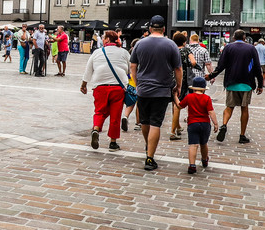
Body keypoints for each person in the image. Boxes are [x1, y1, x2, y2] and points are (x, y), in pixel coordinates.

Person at [128, 16, 181, 171]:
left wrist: (137, 83)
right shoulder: (171, 45)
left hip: (143, 89)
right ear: (164, 29)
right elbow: (178, 69)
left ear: (150, 28)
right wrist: (178, 86)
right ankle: (150, 158)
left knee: (144, 121)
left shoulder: (139, 44)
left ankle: (148, 147)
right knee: (155, 123)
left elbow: (133, 66)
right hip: (162, 90)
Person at [208, 29, 265, 144]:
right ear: (244, 38)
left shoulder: (228, 48)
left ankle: (224, 125)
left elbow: (221, 65)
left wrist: (210, 76)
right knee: (244, 109)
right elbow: (257, 67)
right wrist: (260, 84)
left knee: (229, 107)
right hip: (246, 83)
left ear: (234, 37)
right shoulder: (251, 48)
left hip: (231, 82)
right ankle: (242, 135)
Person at [81, 29, 130, 151]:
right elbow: (130, 69)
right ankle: (113, 143)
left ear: (107, 39)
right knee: (115, 114)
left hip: (100, 87)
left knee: (99, 111)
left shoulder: (97, 53)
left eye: (103, 37)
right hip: (118, 88)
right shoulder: (124, 52)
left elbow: (88, 70)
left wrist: (84, 84)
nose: (102, 39)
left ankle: (96, 129)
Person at [178, 76, 217, 175]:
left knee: (193, 144)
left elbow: (180, 105)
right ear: (204, 89)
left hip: (193, 123)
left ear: (194, 88)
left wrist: (175, 96)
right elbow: (211, 112)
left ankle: (192, 165)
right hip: (205, 124)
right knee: (204, 144)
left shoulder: (189, 97)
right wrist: (215, 123)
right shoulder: (207, 98)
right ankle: (204, 160)